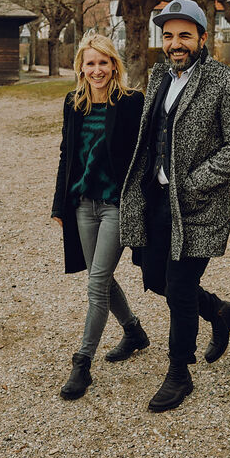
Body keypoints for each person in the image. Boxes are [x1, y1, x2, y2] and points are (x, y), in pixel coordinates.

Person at [120, 0, 230, 412]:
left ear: (202, 38)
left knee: (178, 288)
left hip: (199, 206)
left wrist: (195, 183)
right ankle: (219, 310)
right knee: (156, 279)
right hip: (157, 202)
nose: (175, 43)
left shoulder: (226, 83)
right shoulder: (159, 75)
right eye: (168, 35)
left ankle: (179, 371)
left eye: (184, 35)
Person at [52, 31, 149, 401]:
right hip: (83, 204)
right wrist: (60, 205)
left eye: (103, 62)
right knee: (101, 278)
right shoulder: (72, 104)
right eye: (90, 63)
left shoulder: (130, 103)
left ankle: (82, 363)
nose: (97, 70)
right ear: (81, 67)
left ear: (114, 65)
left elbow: (144, 154)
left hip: (116, 205)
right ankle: (134, 331)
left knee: (95, 284)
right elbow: (67, 155)